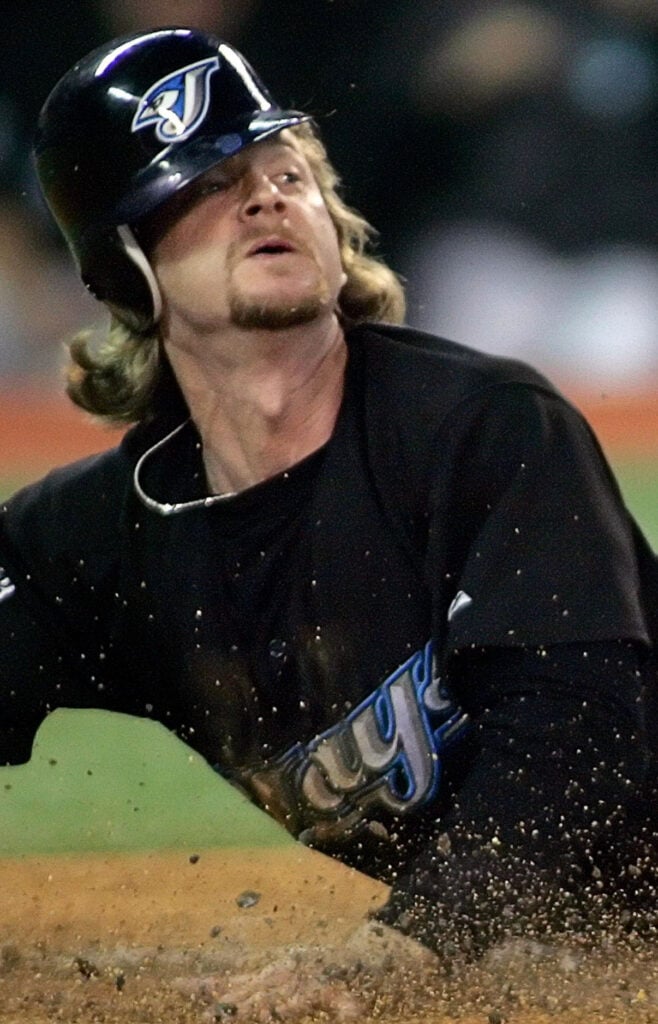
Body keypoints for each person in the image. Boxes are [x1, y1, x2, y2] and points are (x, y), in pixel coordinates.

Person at [1, 26, 657, 957]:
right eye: (209, 186)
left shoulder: (481, 427)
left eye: (288, 173)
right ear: (123, 264)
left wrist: (409, 946)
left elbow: (577, 732)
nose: (266, 195)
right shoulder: (102, 539)